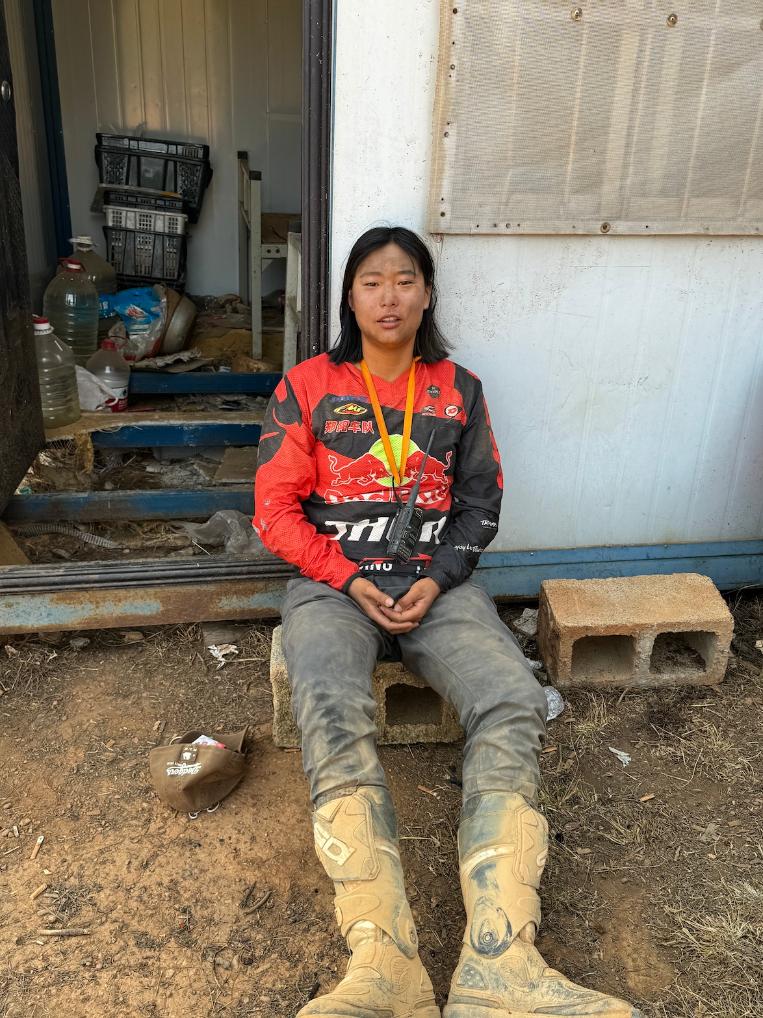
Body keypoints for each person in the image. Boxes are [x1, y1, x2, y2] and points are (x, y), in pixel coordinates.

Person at [254, 226, 640, 1018]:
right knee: (327, 701)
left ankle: (501, 961)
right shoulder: (307, 385)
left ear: (427, 294)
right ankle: (382, 965)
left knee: (511, 699)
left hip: (438, 587)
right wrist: (345, 575)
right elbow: (273, 510)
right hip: (333, 588)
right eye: (371, 281)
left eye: (404, 280)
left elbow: (478, 503)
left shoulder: (457, 389)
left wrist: (436, 580)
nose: (388, 296)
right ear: (349, 296)